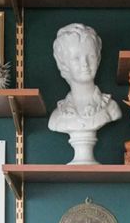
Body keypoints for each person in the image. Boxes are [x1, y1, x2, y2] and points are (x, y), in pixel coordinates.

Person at [48, 24, 120, 163]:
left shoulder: (111, 108)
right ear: (63, 64)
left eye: (91, 56)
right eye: (76, 58)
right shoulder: (56, 117)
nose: (85, 63)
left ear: (98, 59)